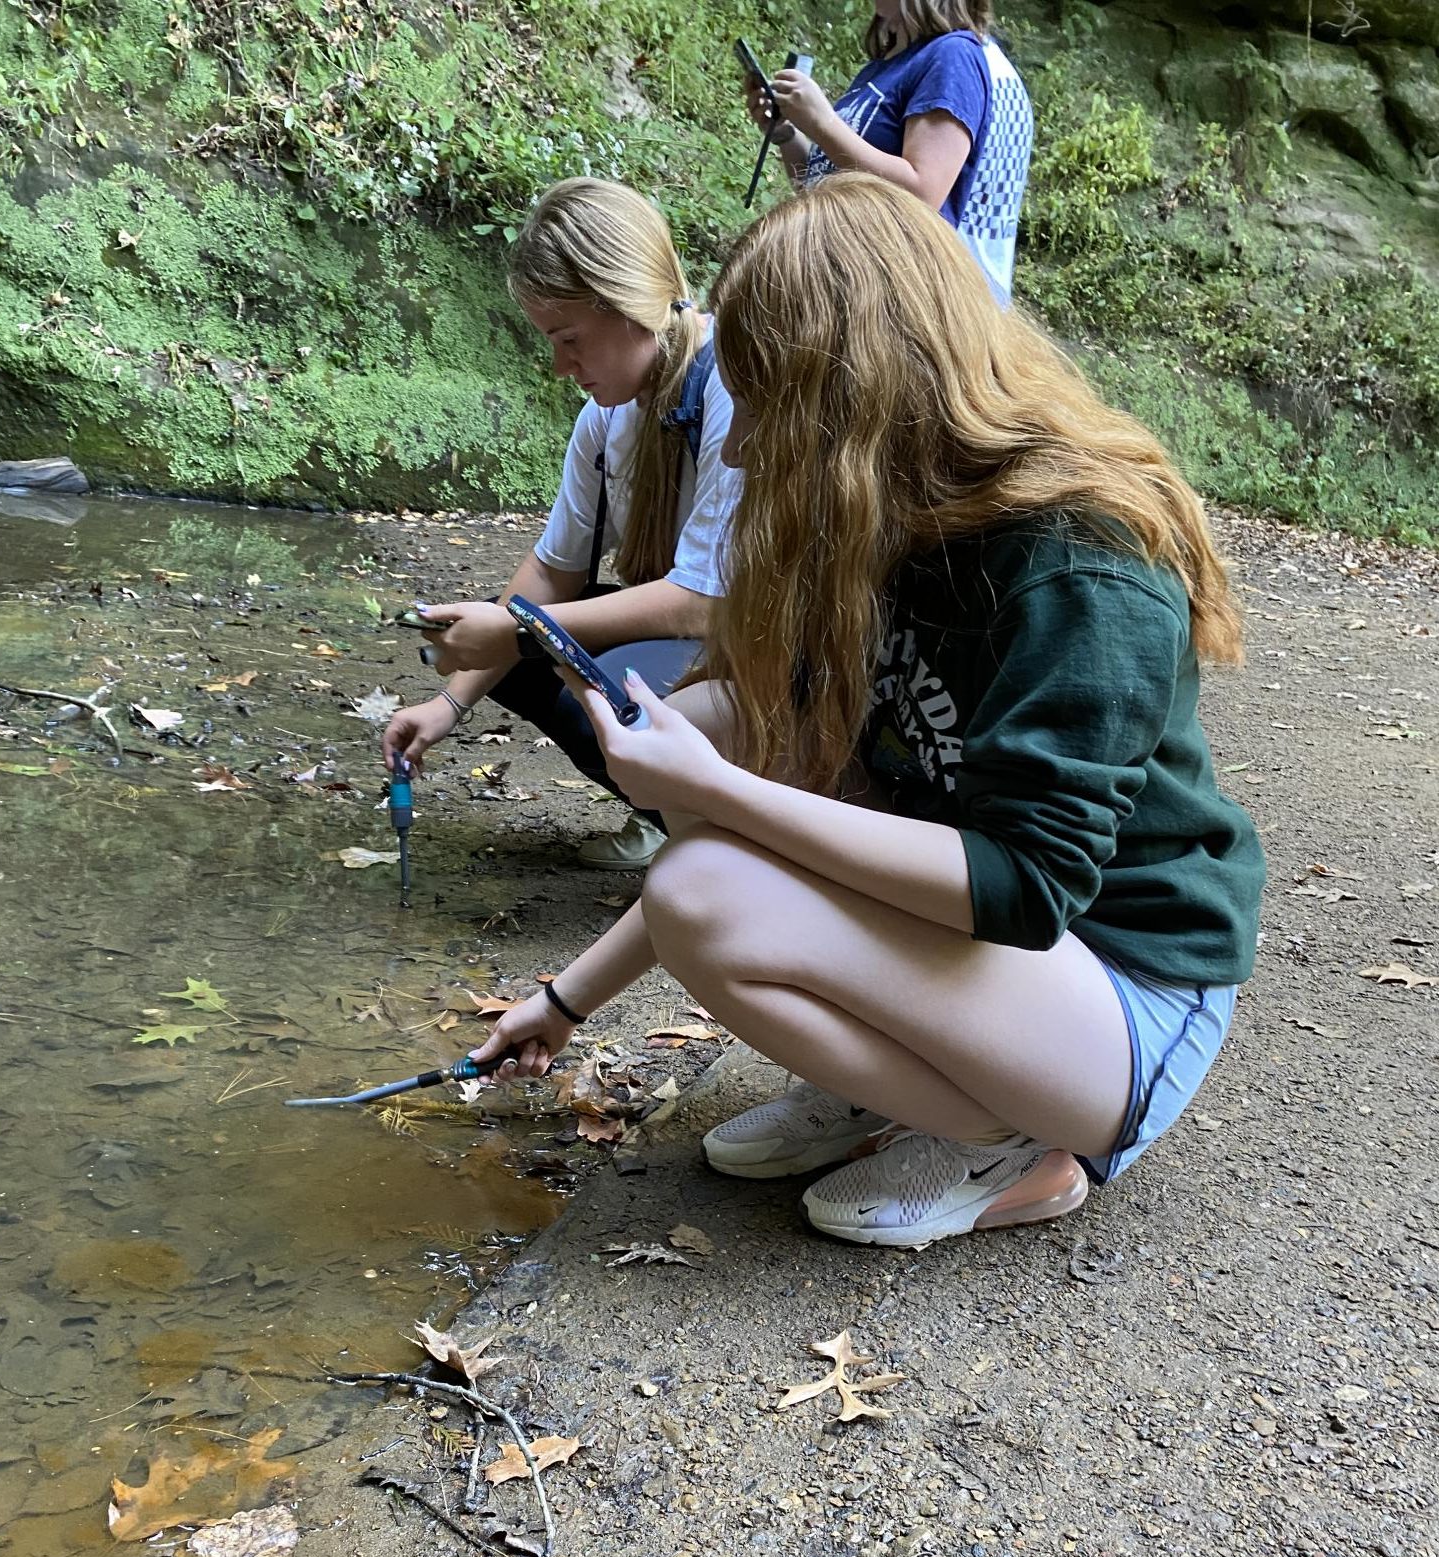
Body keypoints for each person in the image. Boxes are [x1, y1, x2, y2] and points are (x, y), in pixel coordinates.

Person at [467, 175, 1265, 1251]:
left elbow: (1027, 886)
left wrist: (719, 798)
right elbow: (774, 746)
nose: (741, 452)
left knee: (704, 880)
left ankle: (1006, 1136)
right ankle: (904, 1088)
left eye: (766, 408)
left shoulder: (1079, 566)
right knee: (720, 726)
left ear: (856, 391)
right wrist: (566, 1003)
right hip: (999, 956)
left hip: (1124, 989)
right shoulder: (888, 530)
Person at [382, 178, 739, 870]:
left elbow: (702, 602)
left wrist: (522, 629)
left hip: (766, 645)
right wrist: (446, 707)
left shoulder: (731, 386)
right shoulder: (606, 421)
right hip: (698, 636)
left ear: (632, 302)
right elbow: (553, 571)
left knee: (578, 681)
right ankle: (668, 813)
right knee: (509, 655)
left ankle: (717, 832)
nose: (558, 366)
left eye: (570, 339)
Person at [745, 1, 1032, 305]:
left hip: (887, 304)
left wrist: (823, 122)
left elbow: (921, 195)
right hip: (835, 286)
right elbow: (827, 182)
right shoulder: (884, 66)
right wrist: (787, 134)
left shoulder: (953, 56)